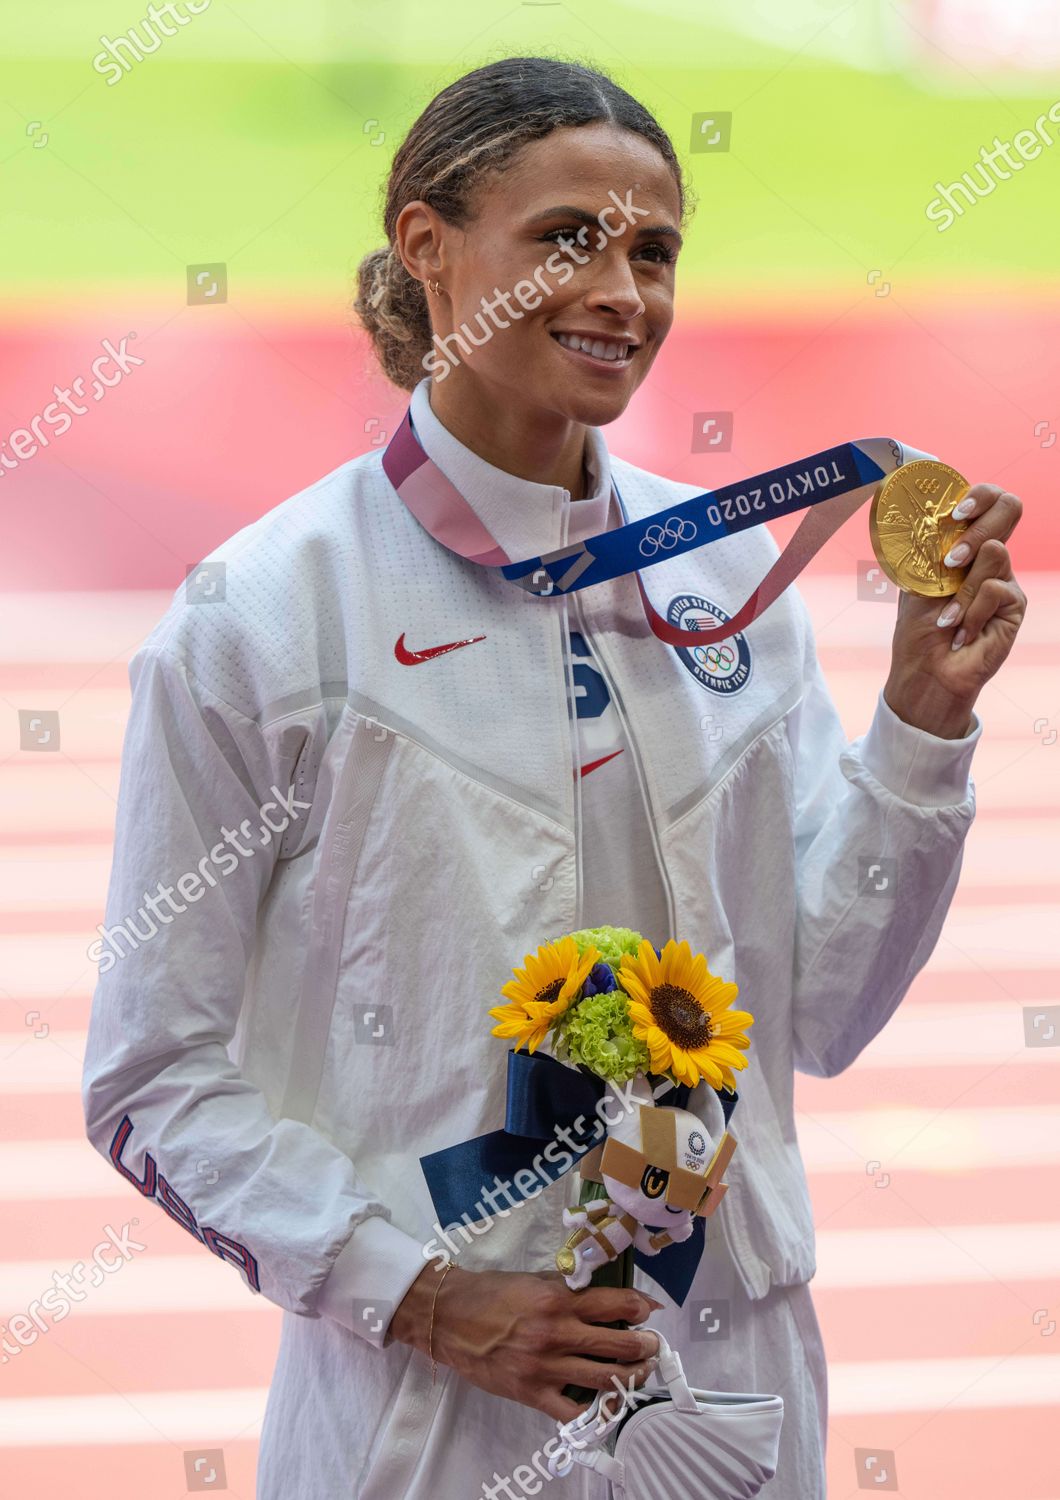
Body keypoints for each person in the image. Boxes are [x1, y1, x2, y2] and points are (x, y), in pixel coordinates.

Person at [81, 55, 1027, 1500]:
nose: (623, 293)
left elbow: (819, 1014)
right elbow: (152, 1079)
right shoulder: (267, 613)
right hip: (427, 1405)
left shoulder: (722, 570)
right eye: (567, 238)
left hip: (733, 1377)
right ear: (427, 248)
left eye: (653, 252)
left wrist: (918, 726)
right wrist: (418, 1294)